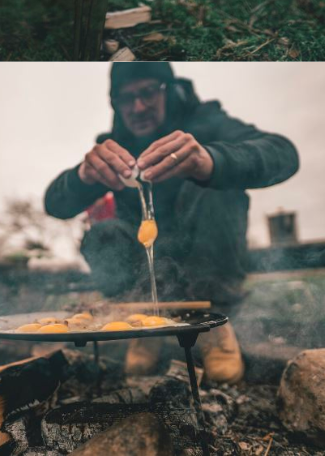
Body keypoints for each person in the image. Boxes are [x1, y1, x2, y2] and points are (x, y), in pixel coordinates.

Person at [44, 62, 299, 382]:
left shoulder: (206, 120)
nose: (138, 107)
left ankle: (214, 324)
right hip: (146, 269)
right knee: (103, 233)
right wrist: (82, 177)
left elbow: (284, 153)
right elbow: (54, 203)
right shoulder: (113, 143)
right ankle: (141, 322)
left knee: (214, 189)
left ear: (167, 88)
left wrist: (211, 161)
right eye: (126, 98)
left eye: (148, 93)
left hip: (204, 255)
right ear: (115, 103)